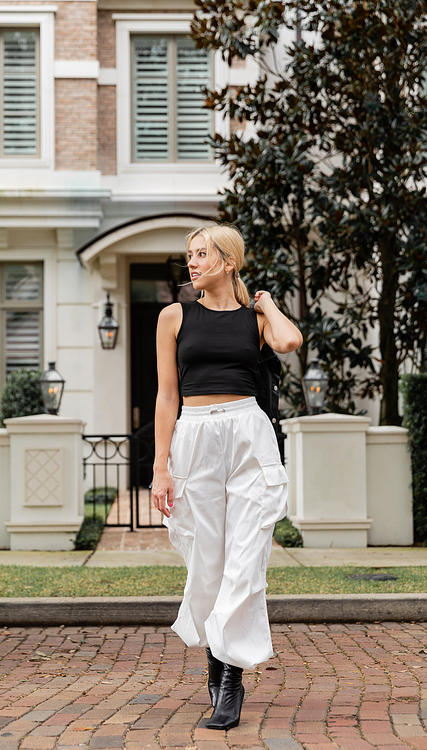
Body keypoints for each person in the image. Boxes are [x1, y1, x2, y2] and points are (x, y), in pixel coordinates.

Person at [152, 223, 302, 730]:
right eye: (188, 255)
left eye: (201, 254)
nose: (191, 263)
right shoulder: (174, 317)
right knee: (209, 560)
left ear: (227, 261)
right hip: (194, 437)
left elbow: (290, 340)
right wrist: (159, 469)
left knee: (245, 557)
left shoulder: (254, 319)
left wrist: (266, 303)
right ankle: (216, 660)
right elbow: (167, 396)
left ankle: (231, 678)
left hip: (247, 436)